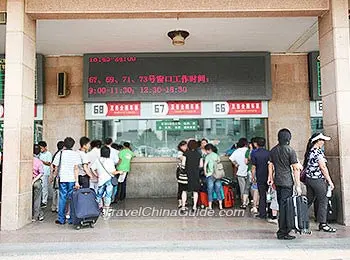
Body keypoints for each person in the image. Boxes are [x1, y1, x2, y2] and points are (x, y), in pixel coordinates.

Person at [268, 128, 301, 240]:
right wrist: (298, 185)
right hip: (287, 182)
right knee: (285, 207)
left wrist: (271, 179)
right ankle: (283, 232)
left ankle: (282, 230)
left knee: (281, 206)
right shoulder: (290, 150)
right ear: (288, 138)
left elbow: (271, 165)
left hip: (278, 181)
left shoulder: (273, 150)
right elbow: (296, 169)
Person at [303, 133, 336, 233]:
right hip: (317, 180)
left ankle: (299, 218)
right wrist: (330, 181)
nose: (323, 142)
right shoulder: (318, 152)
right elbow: (323, 167)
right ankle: (323, 224)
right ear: (318, 141)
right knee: (323, 201)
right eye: (322, 140)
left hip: (309, 179)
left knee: (308, 200)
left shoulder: (310, 151)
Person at [52, 137, 81, 225]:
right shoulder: (76, 154)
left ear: (64, 144)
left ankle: (61, 219)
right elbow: (76, 168)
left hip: (63, 179)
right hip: (72, 179)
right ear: (73, 145)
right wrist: (77, 181)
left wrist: (53, 177)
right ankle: (71, 219)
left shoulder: (60, 153)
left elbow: (56, 167)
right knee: (72, 198)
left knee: (62, 198)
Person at [91, 146, 122, 215]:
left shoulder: (97, 160)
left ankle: (99, 208)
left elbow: (92, 168)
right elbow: (113, 172)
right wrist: (120, 172)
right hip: (108, 180)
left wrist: (96, 175)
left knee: (99, 195)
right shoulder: (110, 161)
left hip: (101, 180)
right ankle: (106, 210)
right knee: (108, 195)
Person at [251, 137, 270, 219]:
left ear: (256, 144)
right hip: (268, 176)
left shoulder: (254, 153)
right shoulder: (269, 153)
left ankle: (262, 213)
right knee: (269, 194)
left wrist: (253, 176)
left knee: (262, 195)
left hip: (260, 176)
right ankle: (271, 211)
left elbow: (253, 167)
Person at [229, 138, 249, 209]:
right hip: (248, 171)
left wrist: (236, 164)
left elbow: (231, 158)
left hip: (240, 172)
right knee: (250, 188)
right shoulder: (248, 150)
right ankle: (251, 201)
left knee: (242, 188)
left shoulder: (236, 151)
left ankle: (244, 202)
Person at [183, 140, 202, 211]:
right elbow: (201, 165)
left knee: (184, 190)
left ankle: (183, 206)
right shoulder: (198, 154)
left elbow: (183, 164)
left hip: (187, 174)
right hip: (196, 174)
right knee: (195, 191)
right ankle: (194, 207)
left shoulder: (186, 153)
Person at [204, 143, 223, 210]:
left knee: (210, 191)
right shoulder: (217, 155)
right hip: (217, 175)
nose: (206, 152)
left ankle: (210, 206)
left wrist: (205, 172)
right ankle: (220, 206)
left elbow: (205, 165)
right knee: (218, 190)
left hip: (210, 175)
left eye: (206, 150)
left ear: (208, 150)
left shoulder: (208, 156)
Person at [49, 140, 64, 213]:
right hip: (58, 175)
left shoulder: (55, 154)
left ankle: (53, 207)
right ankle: (58, 207)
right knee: (58, 192)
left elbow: (52, 165)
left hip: (55, 176)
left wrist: (52, 176)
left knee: (55, 191)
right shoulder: (61, 154)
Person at [38, 141, 52, 208]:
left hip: (45, 172)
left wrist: (40, 161)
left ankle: (44, 201)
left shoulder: (48, 154)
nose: (40, 149)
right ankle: (40, 200)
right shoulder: (39, 154)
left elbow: (49, 163)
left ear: (45, 147)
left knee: (44, 187)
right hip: (39, 172)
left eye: (41, 148)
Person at [32, 144, 44, 222]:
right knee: (37, 199)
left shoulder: (27, 160)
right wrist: (34, 180)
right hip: (36, 182)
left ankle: (36, 214)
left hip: (27, 182)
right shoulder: (39, 161)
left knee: (31, 199)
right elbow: (41, 173)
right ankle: (37, 215)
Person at [176, 140, 188, 209]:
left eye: (186, 145)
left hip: (186, 171)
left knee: (184, 187)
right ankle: (180, 202)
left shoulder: (187, 152)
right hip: (180, 171)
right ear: (180, 146)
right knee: (181, 186)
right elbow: (182, 158)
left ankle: (184, 201)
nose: (185, 147)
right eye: (183, 146)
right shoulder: (180, 153)